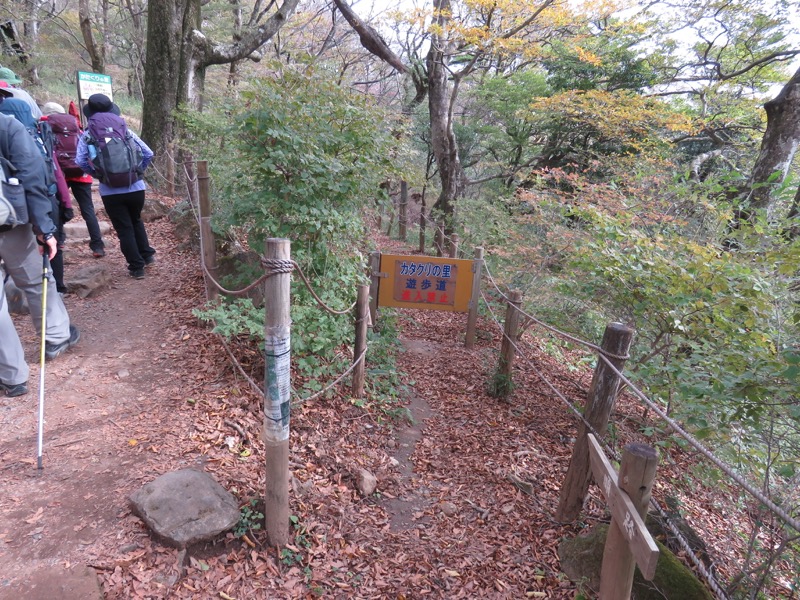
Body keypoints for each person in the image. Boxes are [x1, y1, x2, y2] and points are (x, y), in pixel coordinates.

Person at [0, 91, 80, 398]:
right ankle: (55, 336)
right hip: (11, 223)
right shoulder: (8, 127)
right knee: (35, 280)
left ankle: (12, 376)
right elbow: (33, 174)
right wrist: (45, 228)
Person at [76, 93, 154, 279]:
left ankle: (137, 267)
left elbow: (79, 160)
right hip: (136, 187)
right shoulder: (125, 130)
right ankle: (147, 255)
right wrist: (137, 171)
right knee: (136, 220)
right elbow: (148, 153)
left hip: (110, 190)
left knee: (124, 227)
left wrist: (98, 174)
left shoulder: (88, 134)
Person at [0, 96, 73, 293]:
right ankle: (56, 288)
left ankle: (14, 293)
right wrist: (65, 204)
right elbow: (54, 171)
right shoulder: (35, 135)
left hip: (8, 209)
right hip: (43, 202)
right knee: (48, 250)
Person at [41, 101, 105, 258]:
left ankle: (59, 240)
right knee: (88, 209)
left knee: (58, 206)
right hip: (81, 172)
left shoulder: (45, 125)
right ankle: (97, 246)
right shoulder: (75, 126)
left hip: (60, 173)